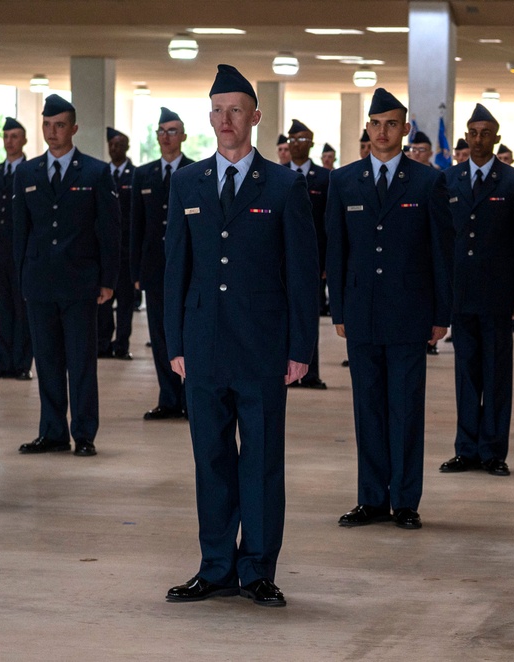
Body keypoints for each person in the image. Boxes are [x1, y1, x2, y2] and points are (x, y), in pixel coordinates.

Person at [163, 64, 318, 608]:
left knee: (261, 460)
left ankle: (257, 568)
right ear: (209, 119)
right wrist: (174, 345)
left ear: (254, 117)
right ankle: (215, 566)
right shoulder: (186, 182)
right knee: (210, 459)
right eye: (217, 110)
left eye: (236, 110)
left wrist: (301, 348)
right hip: (202, 345)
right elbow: (174, 271)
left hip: (261, 345)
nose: (225, 120)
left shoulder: (283, 185)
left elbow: (302, 272)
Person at [327, 88, 453, 530]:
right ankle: (371, 498)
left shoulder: (428, 181)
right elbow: (336, 252)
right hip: (361, 312)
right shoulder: (343, 181)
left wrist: (441, 315)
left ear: (405, 129)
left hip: (409, 312)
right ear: (367, 127)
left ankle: (405, 501)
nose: (383, 132)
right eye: (376, 124)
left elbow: (441, 252)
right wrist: (338, 310)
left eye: (392, 124)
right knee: (368, 409)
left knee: (405, 408)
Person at [12, 94, 121, 458]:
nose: (52, 132)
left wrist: (108, 280)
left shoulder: (94, 172)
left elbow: (108, 230)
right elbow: (20, 231)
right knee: (47, 360)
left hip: (80, 282)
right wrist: (21, 279)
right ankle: (53, 431)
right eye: (47, 124)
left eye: (59, 125)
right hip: (40, 283)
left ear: (74, 128)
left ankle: (84, 433)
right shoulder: (27, 173)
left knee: (81, 361)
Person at [438, 103, 514, 478]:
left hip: (498, 294)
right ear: (466, 135)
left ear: (496, 138)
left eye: (485, 133)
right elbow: (442, 240)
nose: (478, 140)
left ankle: (493, 450)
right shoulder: (448, 179)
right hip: (461, 292)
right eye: (473, 133)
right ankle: (466, 448)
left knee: (495, 374)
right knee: (465, 372)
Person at [130, 106, 194, 421]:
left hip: (191, 270)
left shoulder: (197, 172)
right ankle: (169, 399)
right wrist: (135, 271)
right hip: (155, 270)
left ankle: (190, 399)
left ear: (183, 136)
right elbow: (135, 228)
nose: (166, 137)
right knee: (160, 336)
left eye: (172, 131)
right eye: (161, 131)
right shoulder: (143, 175)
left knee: (190, 334)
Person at [0, 117, 33, 381]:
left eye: (14, 136)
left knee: (22, 308)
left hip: (21, 252)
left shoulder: (32, 171)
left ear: (24, 140)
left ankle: (22, 364)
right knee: (0, 308)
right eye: (6, 136)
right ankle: (3, 361)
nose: (9, 141)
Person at [285, 119, 329, 389]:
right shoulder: (276, 175)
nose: (297, 144)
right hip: (281, 260)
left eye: (302, 139)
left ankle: (310, 372)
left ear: (311, 143)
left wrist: (326, 262)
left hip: (313, 260)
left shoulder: (324, 178)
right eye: (293, 139)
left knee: (308, 313)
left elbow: (328, 225)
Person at [98, 127, 135, 360]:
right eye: (111, 144)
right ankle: (102, 344)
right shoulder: (101, 174)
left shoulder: (136, 174)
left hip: (127, 251)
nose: (114, 148)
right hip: (105, 252)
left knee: (125, 303)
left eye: (119, 144)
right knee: (103, 302)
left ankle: (121, 345)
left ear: (127, 147)